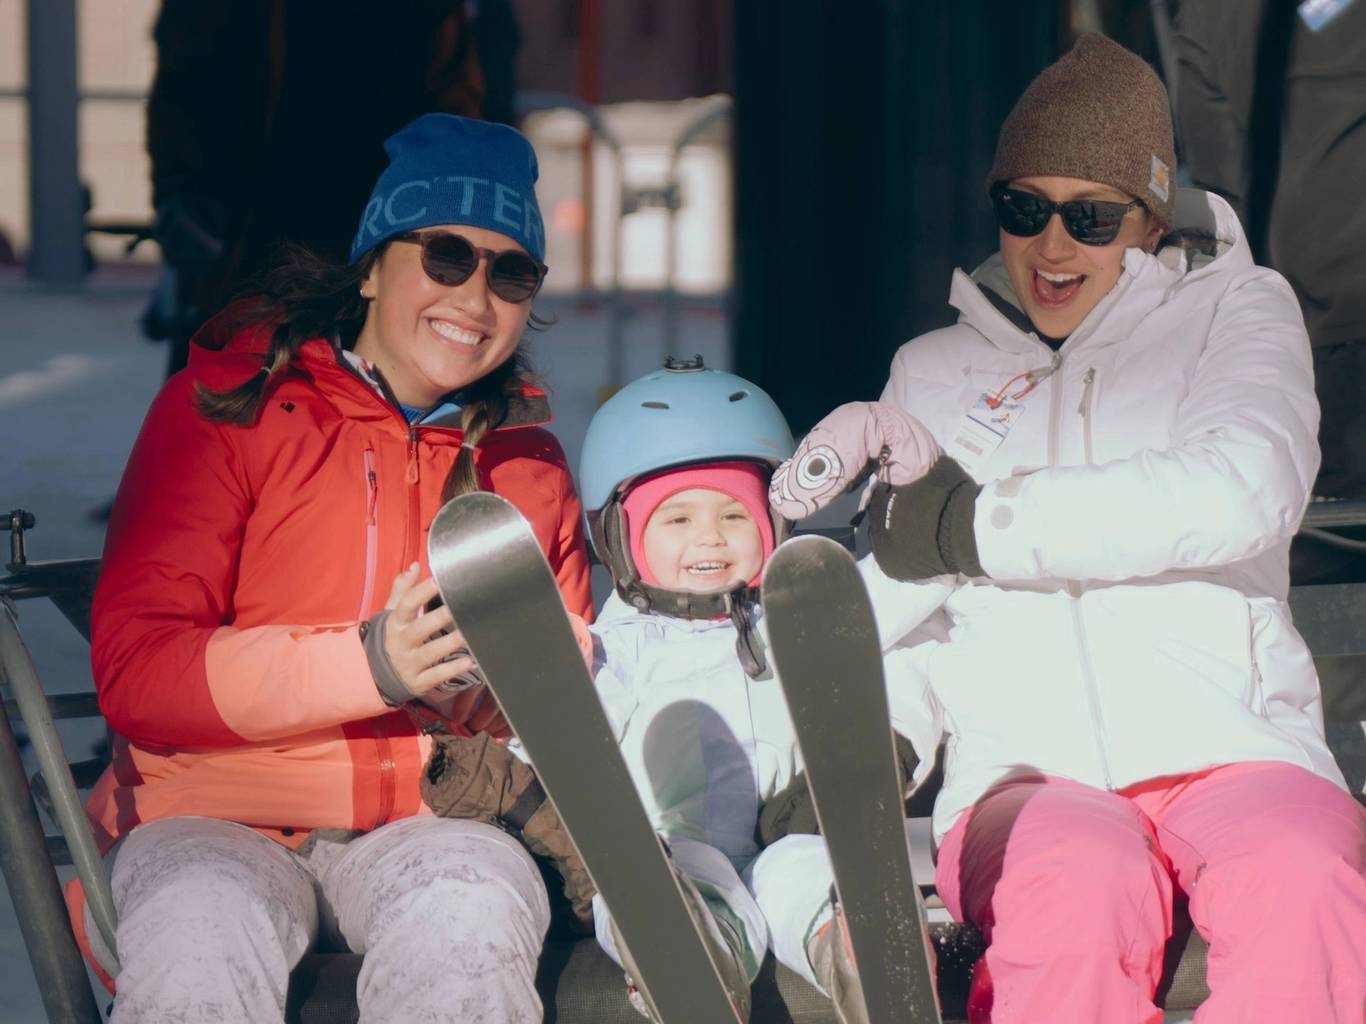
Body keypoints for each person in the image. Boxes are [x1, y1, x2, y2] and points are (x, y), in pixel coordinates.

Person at [774, 33, 1366, 1024]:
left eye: (1089, 217)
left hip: (1232, 745)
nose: (1052, 246)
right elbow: (918, 603)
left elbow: (1242, 484)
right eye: (1023, 209)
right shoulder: (933, 369)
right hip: (1025, 770)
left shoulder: (1237, 314)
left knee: (1305, 879)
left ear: (1149, 216)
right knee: (1075, 890)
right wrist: (872, 736)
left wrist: (975, 524)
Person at [78, 113, 592, 1024]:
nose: (475, 298)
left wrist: (542, 673)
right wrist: (372, 662)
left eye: (510, 273)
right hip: (211, 815)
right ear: (370, 266)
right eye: (444, 255)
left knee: (473, 915)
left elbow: (548, 725)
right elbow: (138, 669)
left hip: (428, 823)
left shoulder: (530, 465)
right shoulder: (231, 413)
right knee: (202, 930)